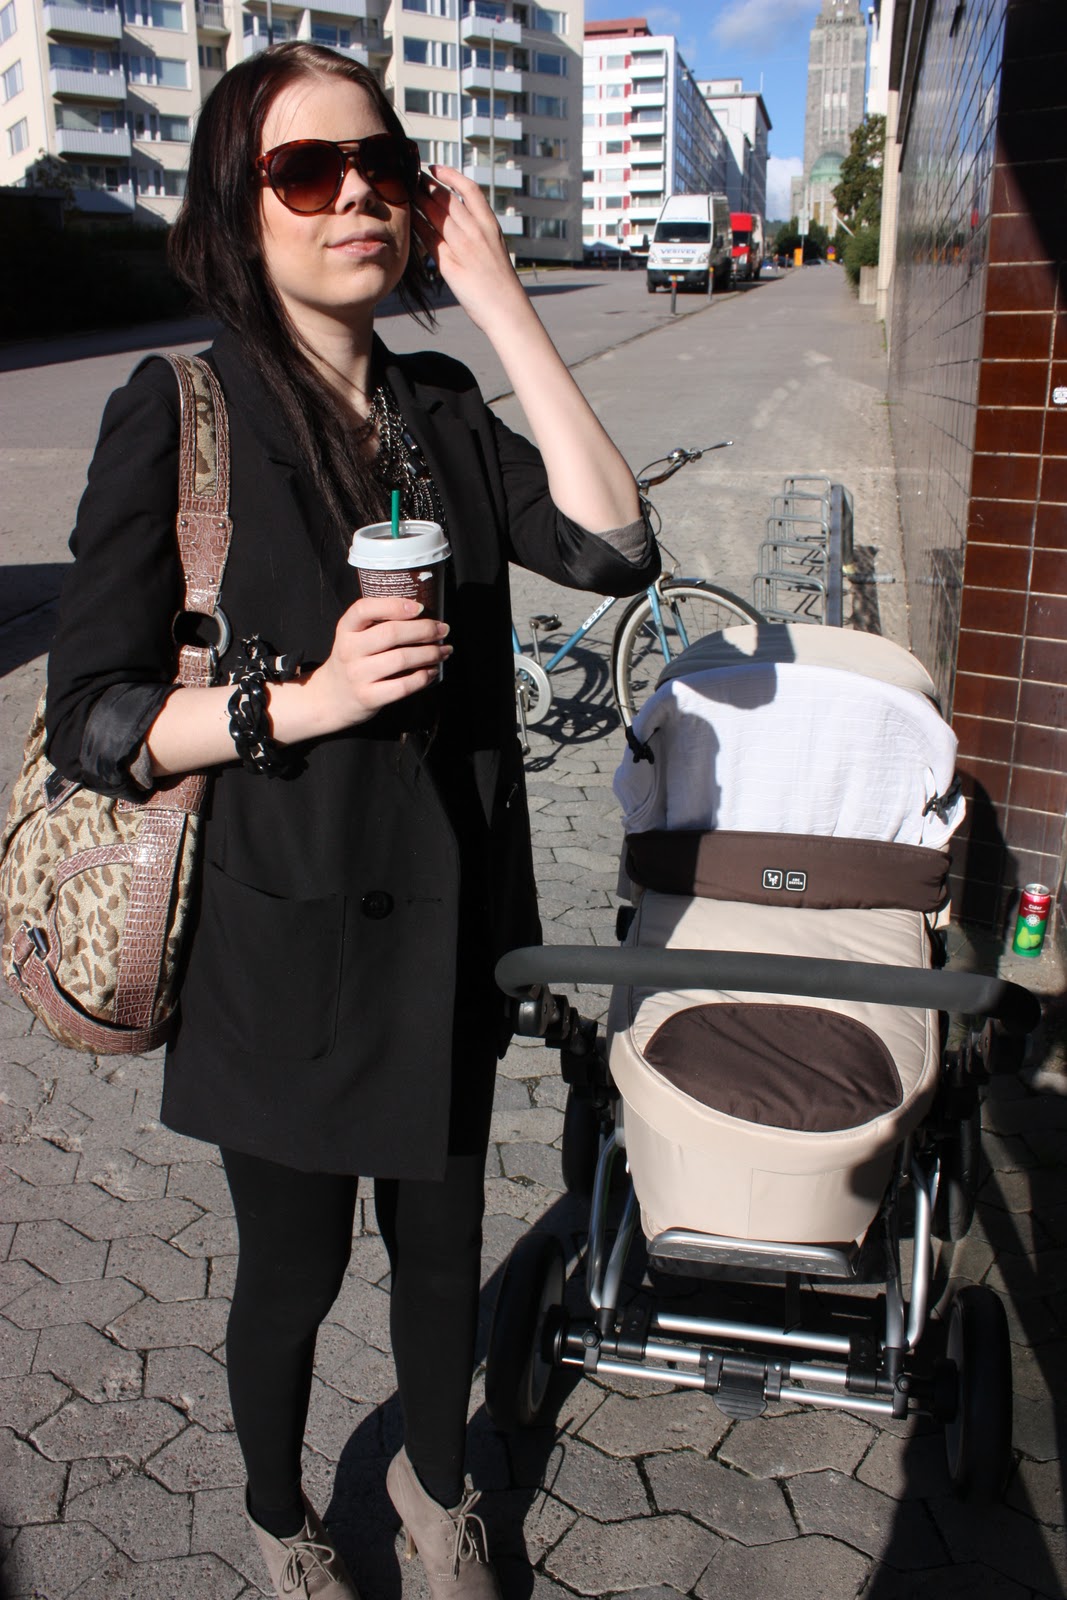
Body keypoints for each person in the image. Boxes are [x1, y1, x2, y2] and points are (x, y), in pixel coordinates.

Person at [45, 41, 658, 1600]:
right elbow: (95, 717)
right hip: (279, 947)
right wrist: (297, 703)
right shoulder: (179, 410)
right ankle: (277, 1515)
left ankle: (438, 1494)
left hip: (450, 937)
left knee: (444, 1260)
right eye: (307, 172)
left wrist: (500, 301)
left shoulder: (437, 407)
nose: (357, 199)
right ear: (234, 210)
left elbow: (612, 549)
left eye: (382, 165)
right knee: (294, 1275)